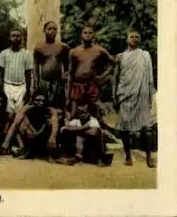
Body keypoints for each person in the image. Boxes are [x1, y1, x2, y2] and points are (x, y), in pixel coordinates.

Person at [112, 29, 156, 168]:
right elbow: (115, 78)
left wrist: (151, 96)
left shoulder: (145, 55)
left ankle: (149, 157)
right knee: (125, 128)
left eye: (137, 37)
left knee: (146, 128)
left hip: (142, 94)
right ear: (127, 39)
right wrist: (114, 96)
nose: (135, 39)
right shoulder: (120, 57)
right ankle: (128, 157)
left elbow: (150, 78)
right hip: (125, 94)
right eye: (132, 37)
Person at [67, 24, 115, 119]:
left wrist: (103, 76)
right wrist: (68, 91)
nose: (87, 35)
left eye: (90, 33)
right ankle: (75, 131)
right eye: (85, 32)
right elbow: (70, 72)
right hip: (77, 84)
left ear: (94, 35)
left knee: (93, 112)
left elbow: (113, 62)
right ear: (81, 34)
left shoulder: (99, 50)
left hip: (91, 84)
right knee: (73, 114)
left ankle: (96, 131)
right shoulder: (74, 51)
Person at [0, 91, 59, 160]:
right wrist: (5, 143)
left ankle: (49, 151)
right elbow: (14, 125)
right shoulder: (25, 109)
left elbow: (55, 125)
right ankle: (23, 148)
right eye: (38, 100)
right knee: (22, 120)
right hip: (30, 136)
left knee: (50, 122)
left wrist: (53, 136)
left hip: (43, 137)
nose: (41, 103)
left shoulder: (51, 110)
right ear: (33, 100)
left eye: (43, 101)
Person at [58, 102, 112, 167]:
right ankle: (67, 155)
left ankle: (99, 159)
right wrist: (81, 129)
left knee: (94, 133)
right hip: (82, 146)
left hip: (93, 147)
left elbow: (94, 131)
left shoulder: (93, 120)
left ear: (89, 112)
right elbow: (64, 128)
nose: (82, 114)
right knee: (67, 132)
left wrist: (78, 129)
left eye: (84, 112)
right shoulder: (77, 120)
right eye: (80, 113)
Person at [33, 21, 70, 112]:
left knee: (59, 107)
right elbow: (36, 68)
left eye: (54, 29)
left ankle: (59, 124)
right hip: (44, 82)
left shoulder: (63, 47)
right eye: (49, 29)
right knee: (44, 106)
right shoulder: (39, 47)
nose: (52, 31)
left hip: (58, 82)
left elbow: (68, 65)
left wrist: (65, 76)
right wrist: (36, 84)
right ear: (44, 30)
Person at [0, 28, 33, 115]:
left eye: (18, 36)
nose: (16, 38)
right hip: (7, 86)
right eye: (13, 36)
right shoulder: (3, 54)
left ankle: (17, 128)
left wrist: (28, 90)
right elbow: (0, 73)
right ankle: (8, 128)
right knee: (9, 112)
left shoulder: (26, 54)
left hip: (21, 86)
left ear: (22, 38)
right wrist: (2, 88)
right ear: (9, 38)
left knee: (20, 113)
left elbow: (28, 73)